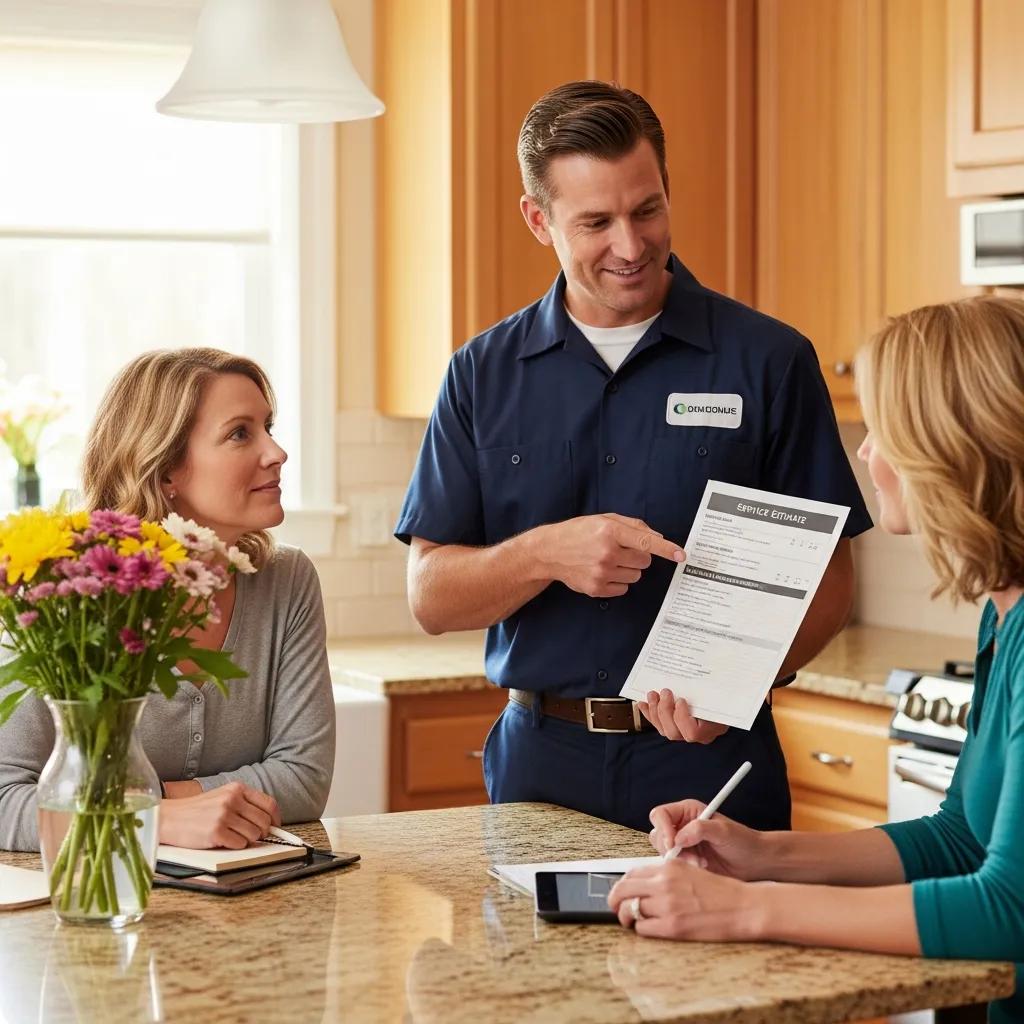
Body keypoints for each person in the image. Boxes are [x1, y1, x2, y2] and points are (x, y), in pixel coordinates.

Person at [396, 80, 871, 834]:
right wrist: (546, 553)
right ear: (538, 220)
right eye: (596, 222)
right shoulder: (480, 375)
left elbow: (832, 579)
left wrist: (735, 689)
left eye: (646, 209)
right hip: (538, 764)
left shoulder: (770, 361)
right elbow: (431, 595)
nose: (631, 244)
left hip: (713, 761)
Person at [608, 296, 1024, 1023]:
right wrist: (763, 856)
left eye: (884, 430)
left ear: (949, 446)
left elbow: (1009, 908)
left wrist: (744, 909)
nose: (867, 452)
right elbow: (961, 838)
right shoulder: (1002, 615)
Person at [0, 348, 335, 853]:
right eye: (240, 433)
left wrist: (150, 802)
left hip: (245, 908)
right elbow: (5, 799)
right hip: (81, 911)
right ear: (164, 472)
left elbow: (303, 779)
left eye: (269, 426)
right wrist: (157, 820)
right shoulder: (69, 590)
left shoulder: (286, 580)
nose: (277, 452)